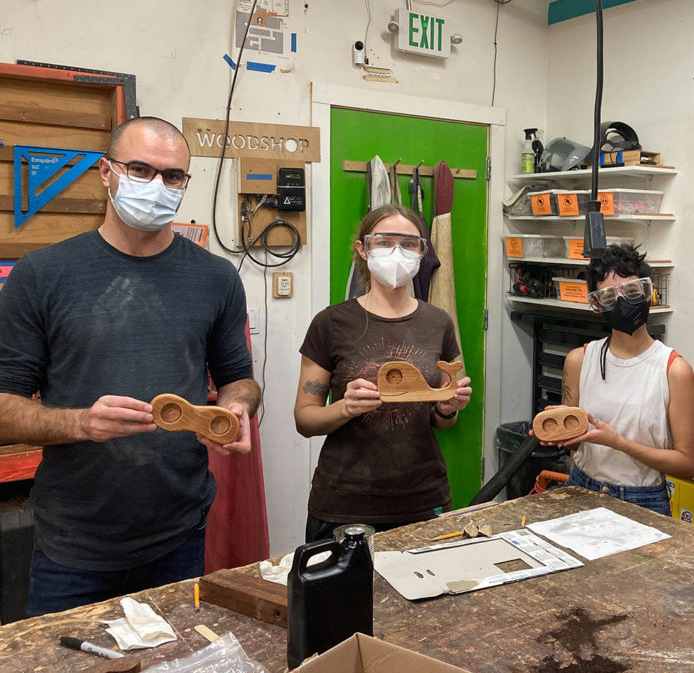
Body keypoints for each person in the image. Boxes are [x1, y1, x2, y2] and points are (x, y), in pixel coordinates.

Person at [0, 116, 260, 616]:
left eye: (173, 176)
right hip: (74, 545)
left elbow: (239, 379)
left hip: (179, 533)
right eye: (140, 169)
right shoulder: (41, 274)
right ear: (106, 172)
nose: (157, 186)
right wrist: (80, 422)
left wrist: (234, 409)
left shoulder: (215, 277)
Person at [294, 204, 472, 541]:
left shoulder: (439, 323)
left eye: (408, 243)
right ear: (362, 249)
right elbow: (304, 420)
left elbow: (442, 420)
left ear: (422, 251)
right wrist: (345, 407)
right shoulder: (331, 323)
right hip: (343, 504)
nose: (397, 252)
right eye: (385, 241)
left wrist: (448, 408)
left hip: (423, 499)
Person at [537, 244, 694, 515]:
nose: (622, 300)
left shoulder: (673, 370)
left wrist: (619, 443)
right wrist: (559, 432)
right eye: (609, 295)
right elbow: (575, 444)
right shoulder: (579, 360)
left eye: (632, 290)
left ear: (649, 293)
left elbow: (687, 465)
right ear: (596, 303)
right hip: (582, 490)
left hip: (642, 501)